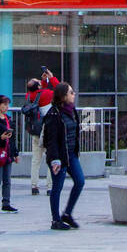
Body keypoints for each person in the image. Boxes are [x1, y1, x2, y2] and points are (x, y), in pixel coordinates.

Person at [42, 82, 85, 230]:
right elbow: (51, 140)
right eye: (71, 92)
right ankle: (55, 220)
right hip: (59, 156)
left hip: (71, 153)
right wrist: (55, 159)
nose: (74, 95)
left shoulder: (71, 111)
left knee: (80, 181)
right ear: (63, 96)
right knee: (57, 187)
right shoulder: (54, 114)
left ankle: (67, 213)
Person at [24, 68, 60, 196]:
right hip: (48, 130)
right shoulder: (47, 94)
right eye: (38, 81)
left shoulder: (29, 95)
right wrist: (51, 77)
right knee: (51, 158)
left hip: (36, 130)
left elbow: (39, 93)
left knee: (36, 159)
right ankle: (49, 187)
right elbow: (60, 90)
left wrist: (43, 82)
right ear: (38, 86)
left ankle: (34, 186)